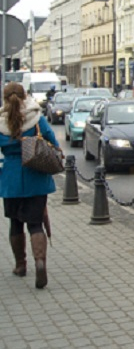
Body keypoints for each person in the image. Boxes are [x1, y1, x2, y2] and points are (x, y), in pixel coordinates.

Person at [0, 82, 59, 289]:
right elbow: (53, 142)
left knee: (15, 224)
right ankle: (40, 263)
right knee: (35, 224)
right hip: (36, 178)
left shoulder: (1, 121)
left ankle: (20, 265)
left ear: (5, 99)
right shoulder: (36, 118)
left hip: (10, 180)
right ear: (25, 96)